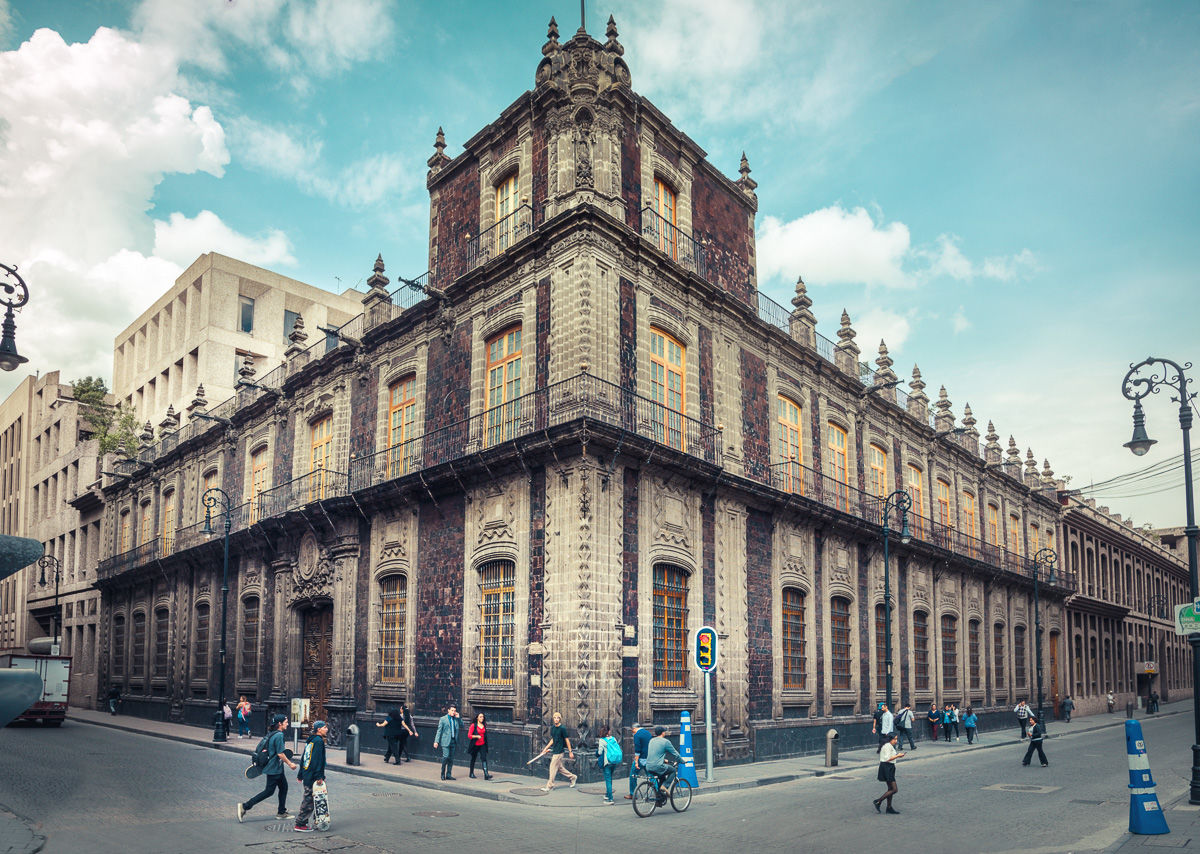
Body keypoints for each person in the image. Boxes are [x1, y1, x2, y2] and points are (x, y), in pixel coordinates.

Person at [238, 713, 299, 823]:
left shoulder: (272, 733)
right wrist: (290, 764)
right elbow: (280, 754)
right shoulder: (279, 735)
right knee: (269, 791)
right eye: (286, 722)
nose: (288, 724)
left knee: (283, 787)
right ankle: (245, 806)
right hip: (274, 768)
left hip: (276, 767)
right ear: (280, 724)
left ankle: (281, 812)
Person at [293, 720, 328, 833]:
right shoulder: (318, 741)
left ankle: (317, 820)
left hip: (307, 773)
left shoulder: (311, 740)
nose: (326, 729)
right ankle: (300, 823)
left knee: (315, 799)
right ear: (319, 729)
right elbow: (317, 760)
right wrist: (319, 776)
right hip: (313, 776)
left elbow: (304, 757)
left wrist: (300, 774)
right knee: (310, 800)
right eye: (325, 727)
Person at [540, 711, 577, 791]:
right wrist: (546, 748)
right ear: (553, 719)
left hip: (559, 752)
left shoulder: (562, 728)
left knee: (552, 767)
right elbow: (553, 740)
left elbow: (567, 740)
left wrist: (570, 751)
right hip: (555, 750)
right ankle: (573, 777)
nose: (556, 719)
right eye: (555, 718)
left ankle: (549, 786)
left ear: (560, 719)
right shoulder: (553, 728)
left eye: (558, 718)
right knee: (560, 768)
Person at [872, 732, 905, 815]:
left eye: (897, 739)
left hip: (889, 767)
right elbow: (887, 758)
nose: (896, 741)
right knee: (894, 789)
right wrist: (898, 756)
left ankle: (889, 807)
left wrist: (897, 755)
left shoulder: (889, 745)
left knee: (890, 789)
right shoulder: (887, 746)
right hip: (887, 767)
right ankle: (878, 801)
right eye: (895, 739)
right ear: (890, 739)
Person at [644, 726, 682, 794]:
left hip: (648, 766)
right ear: (663, 733)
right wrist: (682, 761)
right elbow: (675, 753)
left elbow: (654, 753)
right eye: (664, 732)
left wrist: (663, 760)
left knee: (662, 777)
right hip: (658, 766)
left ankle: (659, 797)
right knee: (673, 770)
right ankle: (665, 786)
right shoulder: (665, 742)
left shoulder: (651, 740)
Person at [433, 704, 461, 781]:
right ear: (448, 710)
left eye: (454, 711)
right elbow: (439, 731)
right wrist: (436, 741)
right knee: (446, 757)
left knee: (451, 759)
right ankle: (442, 773)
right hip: (445, 741)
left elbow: (462, 726)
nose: (453, 712)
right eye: (452, 710)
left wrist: (458, 718)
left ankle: (448, 775)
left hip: (453, 741)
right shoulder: (443, 719)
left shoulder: (456, 719)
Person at [626, 721, 652, 800]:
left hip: (641, 759)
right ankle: (657, 791)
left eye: (632, 730)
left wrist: (636, 761)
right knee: (651, 776)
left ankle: (632, 794)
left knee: (633, 775)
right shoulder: (648, 733)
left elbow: (637, 749)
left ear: (634, 729)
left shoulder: (637, 735)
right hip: (649, 757)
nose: (632, 732)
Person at [595, 724, 618, 804]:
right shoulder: (613, 738)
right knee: (610, 778)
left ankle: (610, 799)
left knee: (608, 780)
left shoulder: (602, 740)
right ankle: (608, 794)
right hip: (614, 761)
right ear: (608, 731)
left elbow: (600, 752)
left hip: (607, 762)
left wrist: (596, 753)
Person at [467, 712, 492, 779]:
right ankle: (471, 773)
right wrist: (476, 736)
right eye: (480, 717)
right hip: (475, 744)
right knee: (473, 758)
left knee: (484, 758)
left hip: (482, 744)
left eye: (483, 717)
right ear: (477, 717)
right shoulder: (473, 725)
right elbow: (469, 735)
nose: (482, 718)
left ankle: (486, 774)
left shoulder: (484, 725)